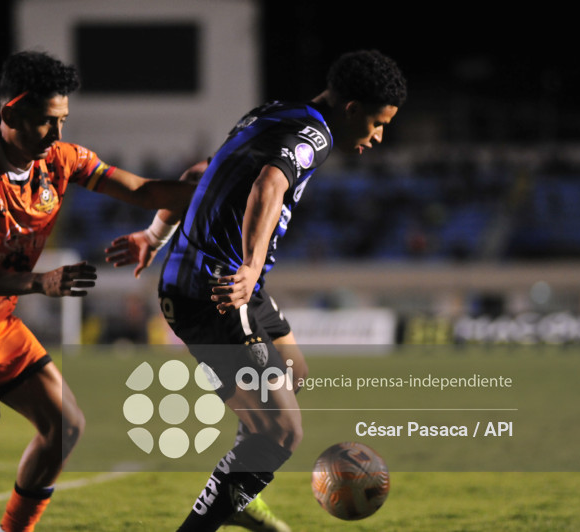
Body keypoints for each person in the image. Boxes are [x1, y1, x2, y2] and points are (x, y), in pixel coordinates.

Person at [106, 49, 407, 532]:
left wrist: (152, 235)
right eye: (376, 123)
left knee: (294, 371)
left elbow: (199, 176)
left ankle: (237, 490)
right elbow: (268, 185)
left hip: (233, 282)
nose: (378, 137)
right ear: (351, 110)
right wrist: (248, 268)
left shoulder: (274, 113)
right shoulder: (314, 135)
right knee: (283, 431)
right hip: (216, 289)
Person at [0, 50, 194, 532]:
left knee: (64, 429)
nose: (57, 135)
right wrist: (41, 282)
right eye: (45, 122)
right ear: (10, 113)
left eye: (63, 121)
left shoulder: (59, 160)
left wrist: (232, 187)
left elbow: (141, 191)